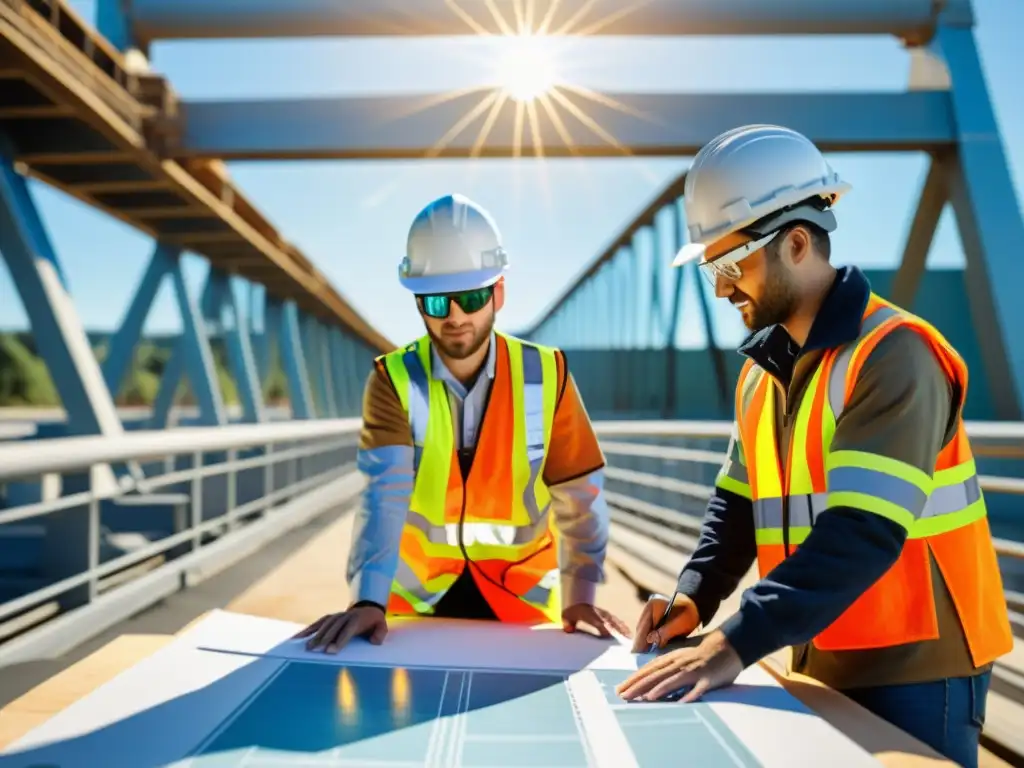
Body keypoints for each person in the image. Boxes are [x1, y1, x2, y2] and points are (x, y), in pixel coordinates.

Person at [615, 125, 1012, 768]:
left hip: (917, 666)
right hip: (823, 646)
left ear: (796, 243)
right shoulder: (760, 374)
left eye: (726, 265)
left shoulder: (895, 354)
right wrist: (695, 595)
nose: (718, 289)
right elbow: (735, 510)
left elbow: (862, 531)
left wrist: (735, 642)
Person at [299, 193, 630, 653]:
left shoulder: (547, 374)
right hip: (416, 607)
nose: (455, 316)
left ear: (498, 292)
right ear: (417, 303)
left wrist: (580, 595)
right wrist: (366, 599)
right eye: (436, 302)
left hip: (521, 603)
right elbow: (384, 495)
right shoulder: (393, 379)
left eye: (471, 297)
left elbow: (580, 494)